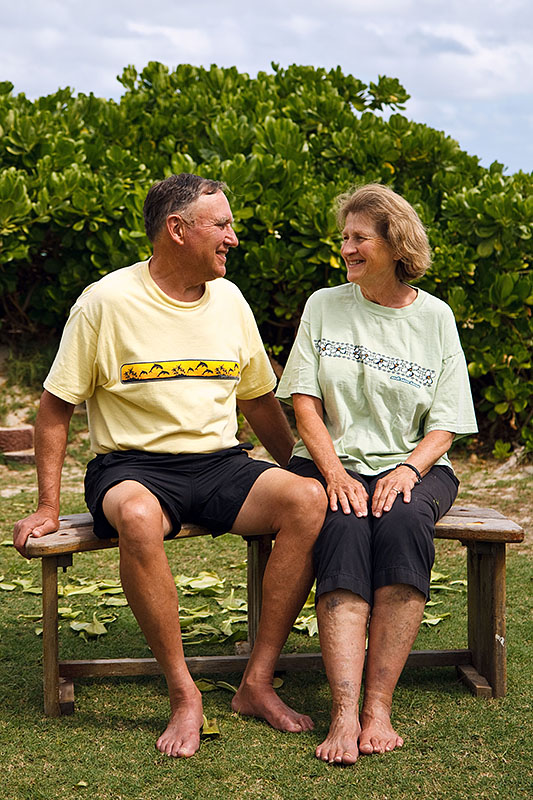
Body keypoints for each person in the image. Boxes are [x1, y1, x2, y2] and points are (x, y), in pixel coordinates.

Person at [13, 173, 327, 758]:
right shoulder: (104, 302)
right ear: (177, 230)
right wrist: (48, 505)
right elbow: (55, 409)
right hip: (133, 467)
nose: (234, 237)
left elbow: (258, 397)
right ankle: (185, 694)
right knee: (135, 516)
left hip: (219, 463)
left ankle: (256, 682)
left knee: (308, 501)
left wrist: (299, 468)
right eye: (223, 225)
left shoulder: (230, 300)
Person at [276, 183, 478, 765]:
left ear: (395, 243)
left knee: (403, 521)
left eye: (359, 238)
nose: (347, 249)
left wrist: (409, 470)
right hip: (330, 461)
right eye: (345, 239)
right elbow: (305, 402)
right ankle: (343, 713)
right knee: (340, 523)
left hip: (416, 464)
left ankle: (378, 707)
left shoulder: (435, 317)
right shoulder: (324, 304)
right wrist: (333, 471)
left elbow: (447, 422)